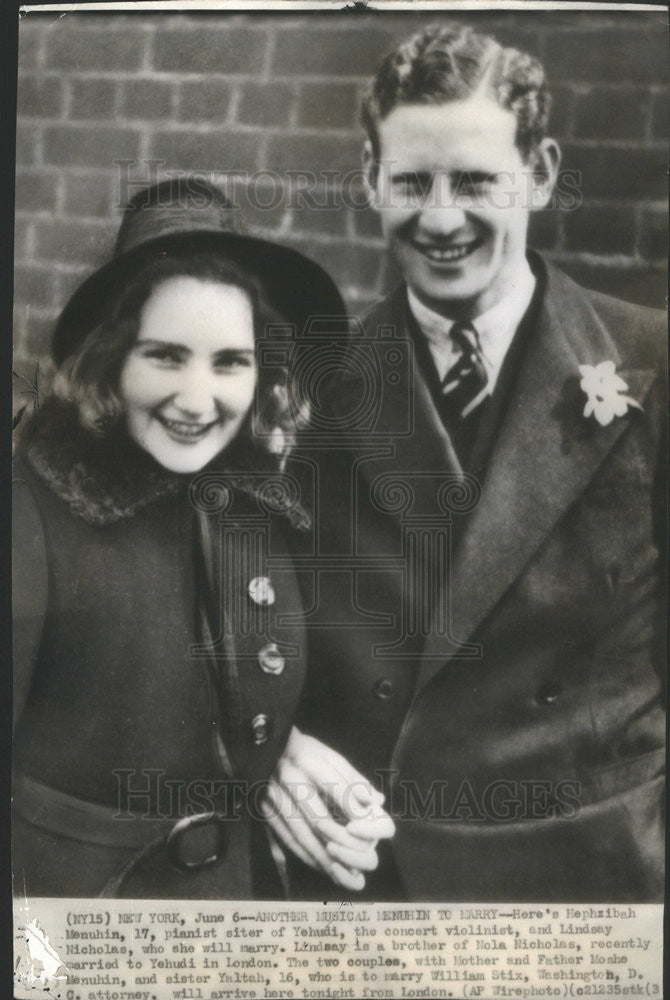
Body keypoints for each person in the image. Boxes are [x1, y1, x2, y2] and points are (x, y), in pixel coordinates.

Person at [267, 23, 666, 901]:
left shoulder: (651, 364)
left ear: (543, 172)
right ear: (370, 179)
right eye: (411, 181)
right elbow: (239, 607)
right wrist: (273, 746)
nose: (440, 217)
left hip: (585, 877)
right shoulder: (314, 387)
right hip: (372, 870)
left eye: (477, 180)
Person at [12, 177, 392, 898]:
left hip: (228, 914)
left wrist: (281, 751)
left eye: (229, 362)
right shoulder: (32, 507)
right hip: (69, 918)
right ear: (111, 359)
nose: (196, 399)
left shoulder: (257, 504)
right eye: (164, 356)